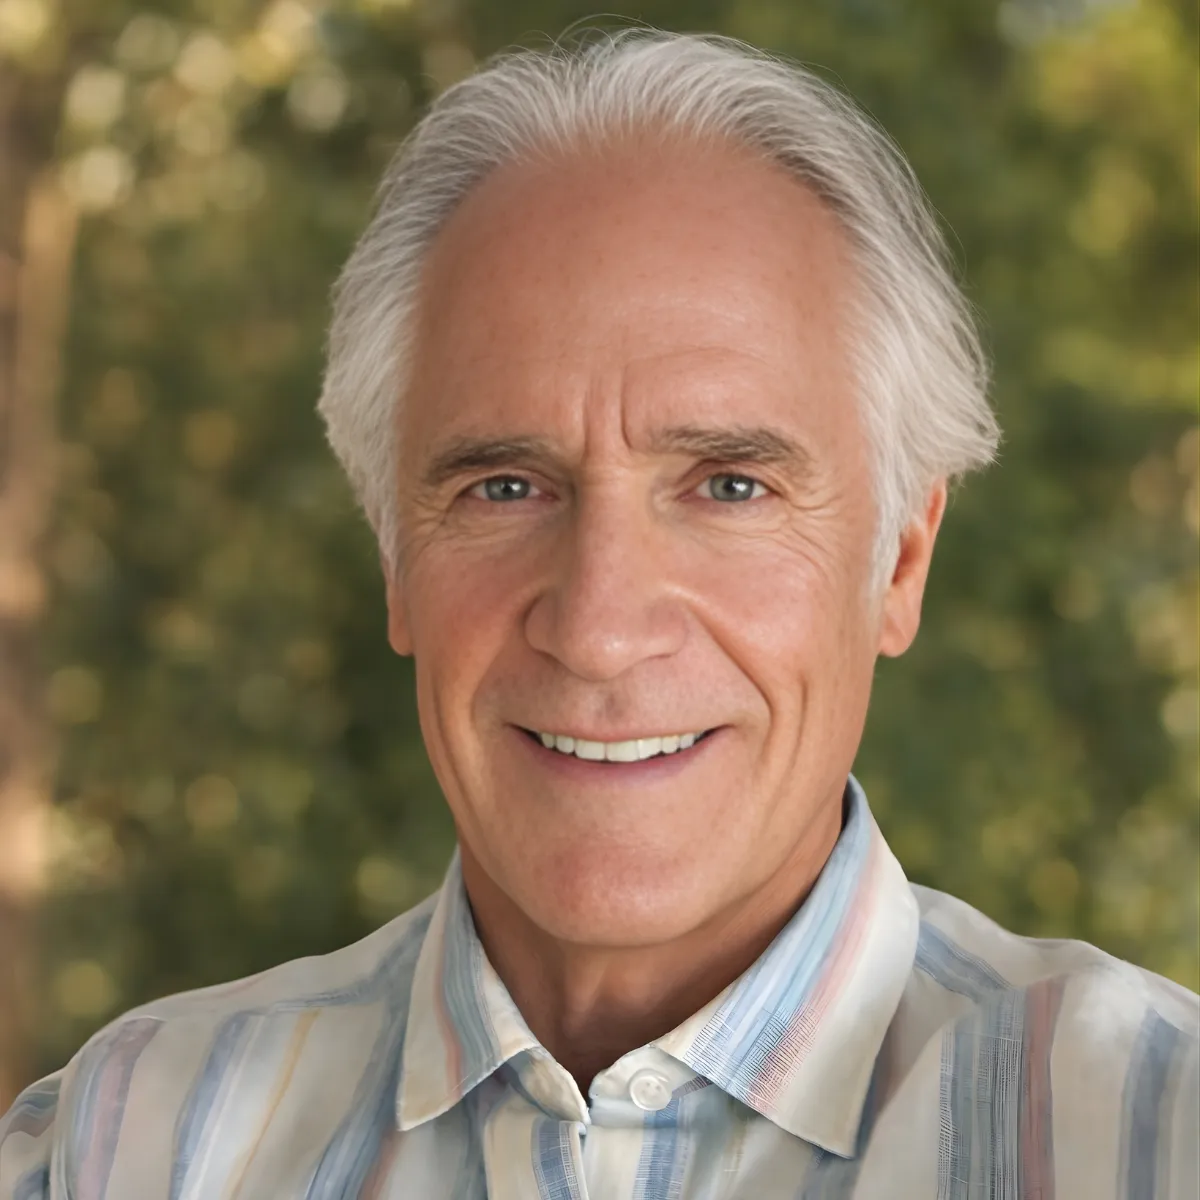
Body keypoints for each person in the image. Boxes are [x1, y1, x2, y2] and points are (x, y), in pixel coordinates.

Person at [2, 27, 1196, 1200]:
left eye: (730, 486)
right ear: (395, 560)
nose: (599, 628)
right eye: (503, 487)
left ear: (900, 562)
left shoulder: (1153, 1135)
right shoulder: (126, 1150)